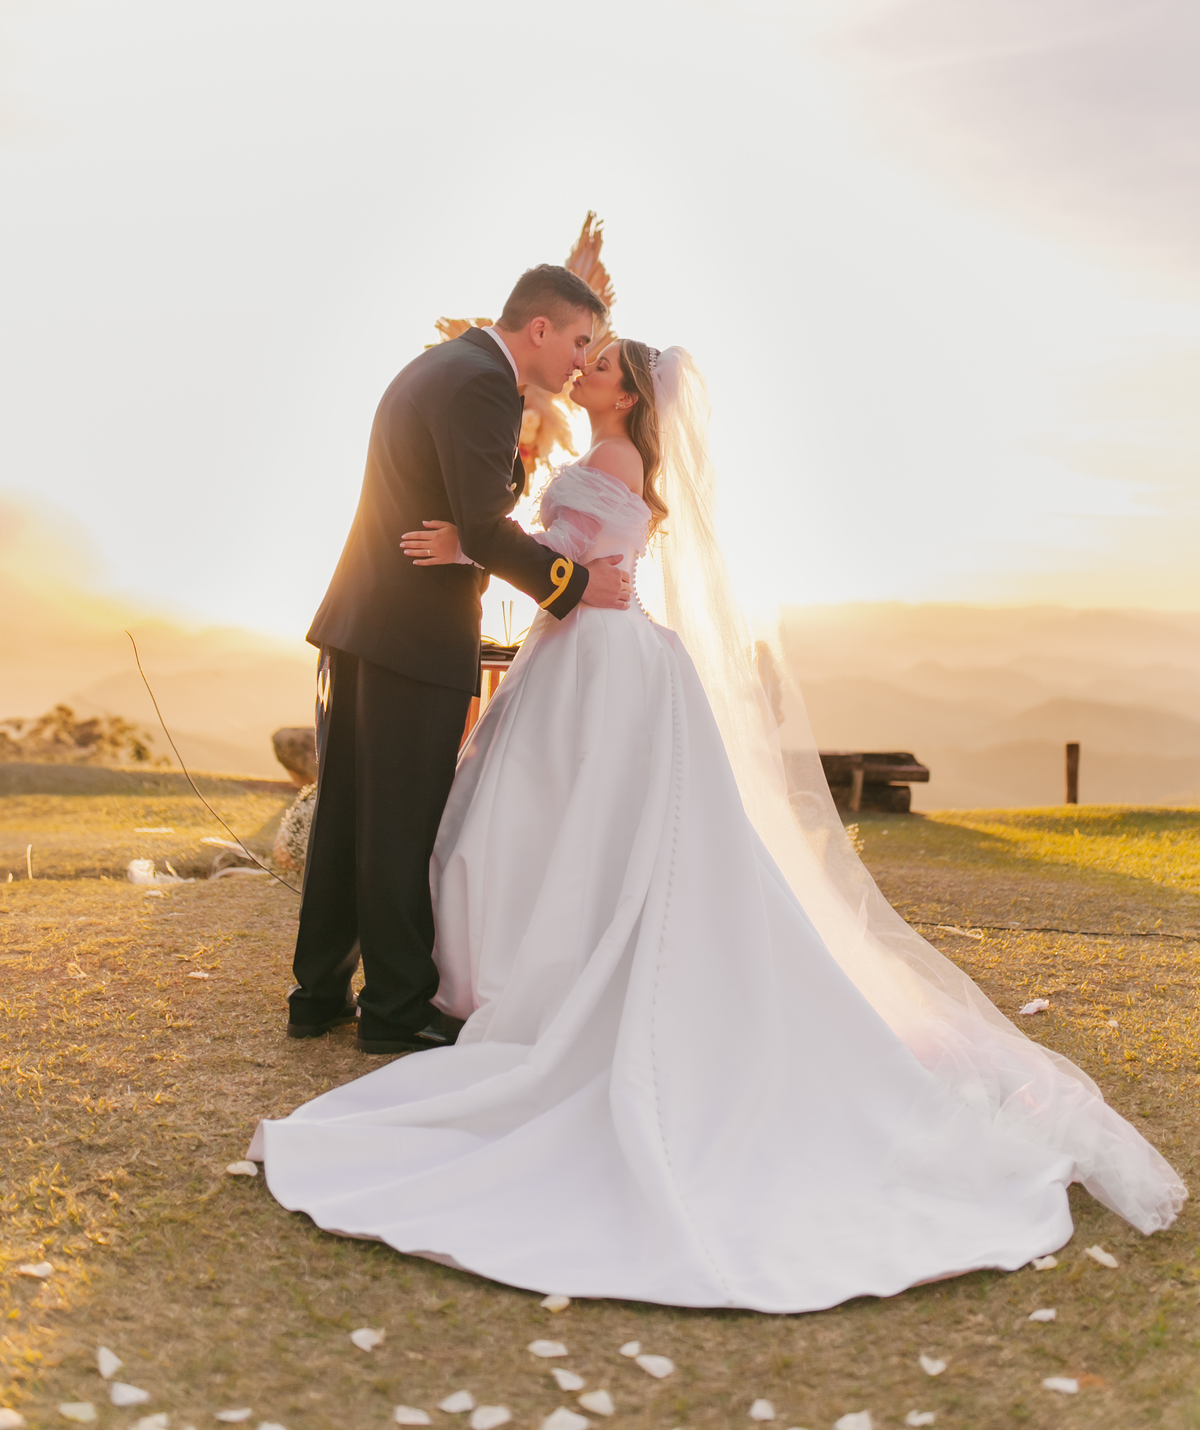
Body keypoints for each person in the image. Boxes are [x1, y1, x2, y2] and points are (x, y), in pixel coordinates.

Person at [253, 339, 1185, 1312]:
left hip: (597, 653)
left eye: (605, 363)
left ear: (635, 395)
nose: (588, 366)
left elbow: (562, 554)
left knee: (562, 829)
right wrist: (495, 532)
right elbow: (540, 535)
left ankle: (516, 983)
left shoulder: (617, 462)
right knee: (546, 828)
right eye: (588, 352)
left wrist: (475, 544)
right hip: (580, 647)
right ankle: (496, 981)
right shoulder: (610, 455)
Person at [288, 265, 631, 1056]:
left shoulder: (451, 366)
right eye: (579, 340)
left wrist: (483, 514)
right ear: (538, 329)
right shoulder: (482, 383)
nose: (582, 359)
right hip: (409, 631)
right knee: (402, 823)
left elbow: (469, 493)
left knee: (350, 814)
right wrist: (574, 586)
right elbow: (481, 523)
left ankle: (319, 994)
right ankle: (399, 1009)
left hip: (368, 618)